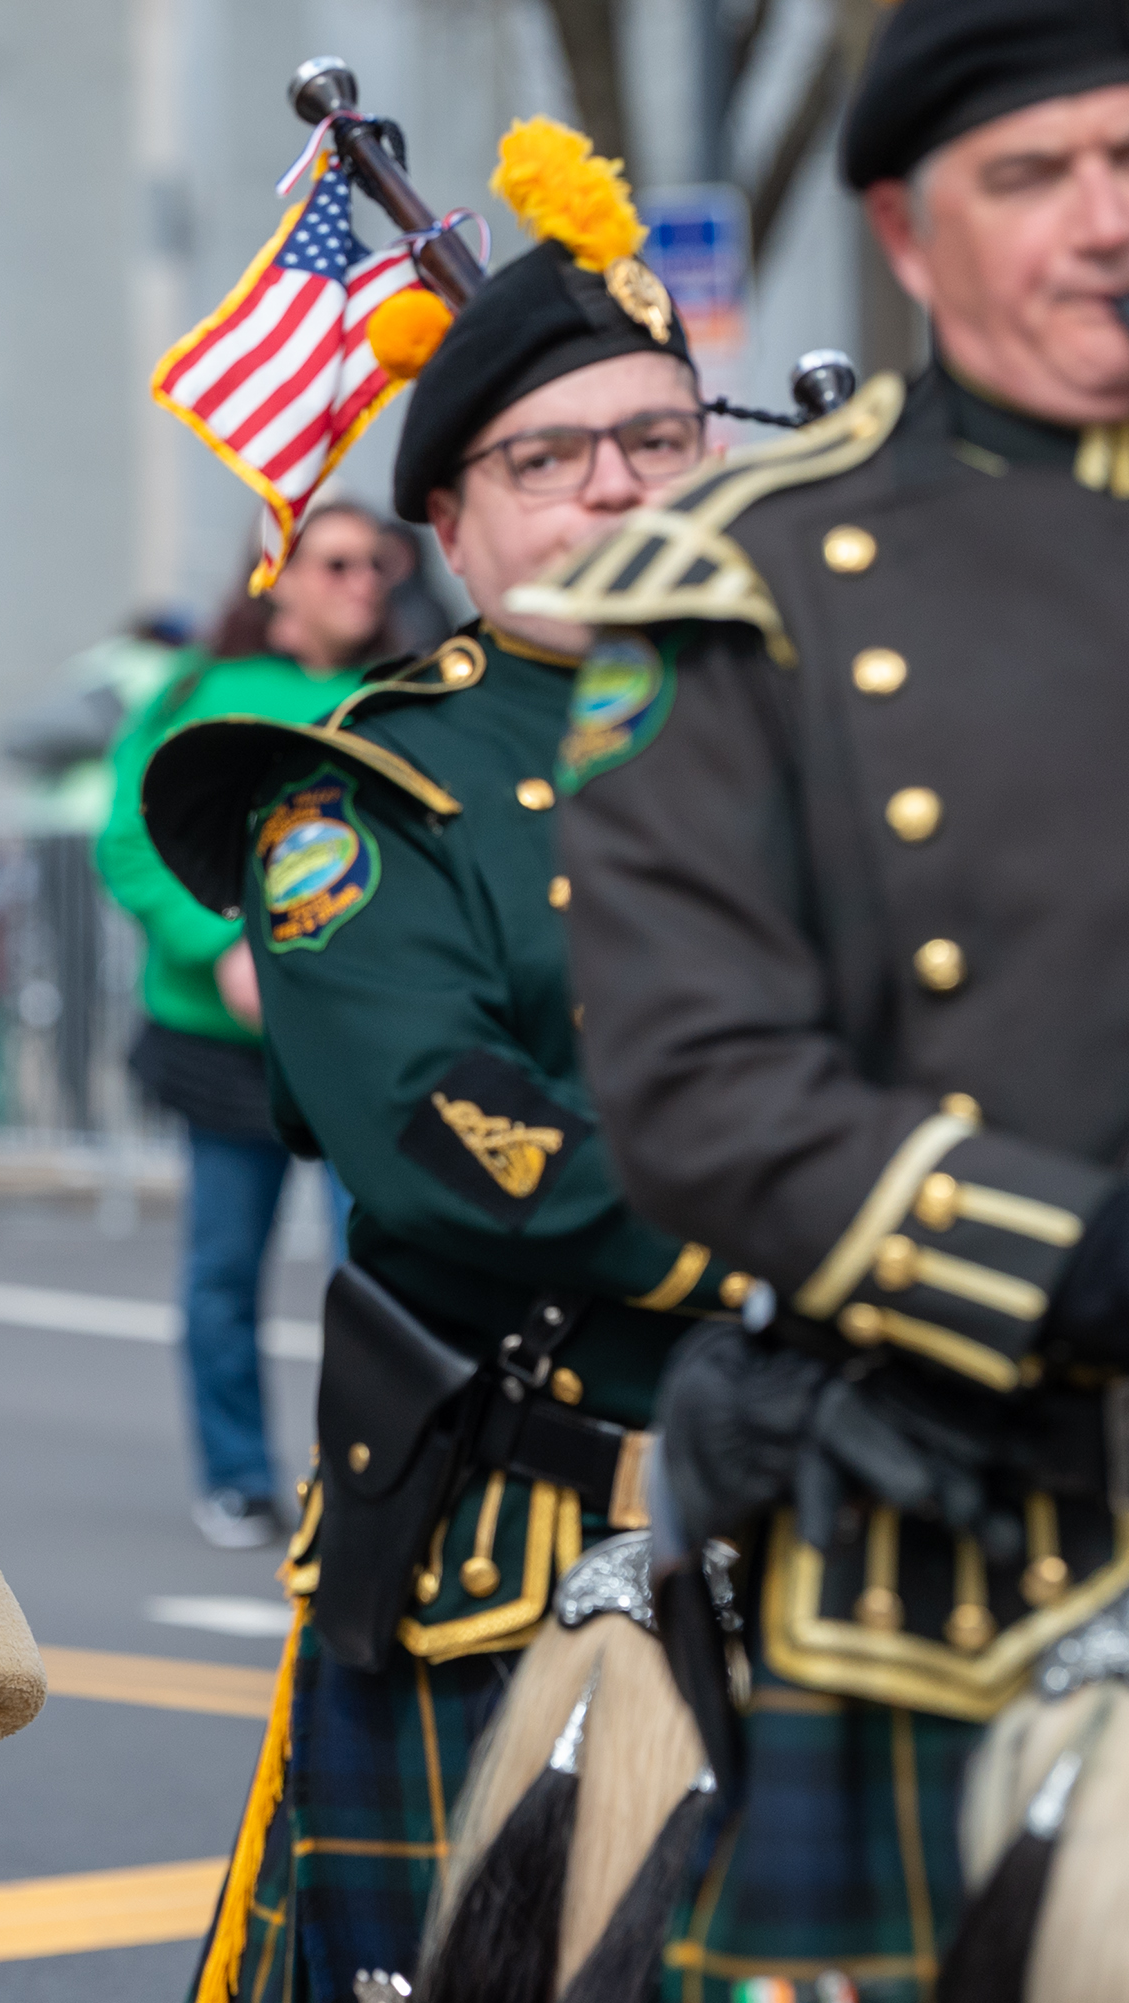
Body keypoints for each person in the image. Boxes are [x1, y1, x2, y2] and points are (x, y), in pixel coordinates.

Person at [529, 3, 1129, 1991]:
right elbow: (699, 1086)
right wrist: (1078, 1255)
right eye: (1033, 176)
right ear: (903, 231)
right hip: (953, 1553)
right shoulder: (745, 579)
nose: (1103, 222)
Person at [141, 123, 745, 2001]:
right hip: (555, 1543)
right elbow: (442, 1135)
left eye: (657, 441)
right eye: (547, 460)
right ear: (453, 526)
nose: (613, 490)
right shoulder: (361, 796)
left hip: (870, 1514)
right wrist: (844, 1228)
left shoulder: (834, 735)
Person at [97, 502, 393, 1549]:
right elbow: (129, 839)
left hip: (367, 1047)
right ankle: (237, 1476)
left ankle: (379, 1475)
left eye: (379, 563)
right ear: (281, 572)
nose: (365, 580)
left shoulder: (405, 698)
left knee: (384, 1271)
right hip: (228, 1051)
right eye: (339, 561)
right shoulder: (200, 694)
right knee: (224, 1270)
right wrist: (216, 942)